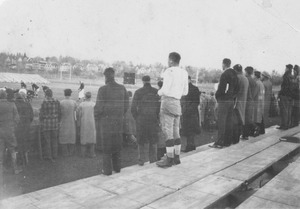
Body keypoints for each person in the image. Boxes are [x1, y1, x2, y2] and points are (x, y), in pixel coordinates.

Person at [156, 52, 189, 168]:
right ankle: (177, 157)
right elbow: (185, 92)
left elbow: (164, 90)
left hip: (167, 102)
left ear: (170, 60)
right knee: (176, 131)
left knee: (167, 131)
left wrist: (158, 92)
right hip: (177, 102)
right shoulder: (184, 73)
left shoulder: (169, 71)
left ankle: (169, 158)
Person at [94, 67, 129, 175]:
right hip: (118, 121)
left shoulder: (103, 89)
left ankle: (107, 170)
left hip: (106, 122)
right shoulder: (122, 88)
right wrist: (119, 115)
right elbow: (126, 105)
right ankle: (117, 168)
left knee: (107, 147)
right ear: (113, 75)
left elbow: (98, 108)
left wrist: (97, 116)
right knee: (117, 145)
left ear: (105, 76)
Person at [131, 76, 160, 166]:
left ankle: (141, 160)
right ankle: (153, 160)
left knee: (141, 141)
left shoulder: (138, 92)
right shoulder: (156, 92)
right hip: (153, 120)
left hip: (141, 120)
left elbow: (133, 108)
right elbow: (159, 107)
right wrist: (156, 117)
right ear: (149, 80)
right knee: (153, 141)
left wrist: (137, 118)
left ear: (142, 81)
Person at [210, 58, 239, 148]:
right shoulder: (235, 74)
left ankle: (220, 142)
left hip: (224, 101)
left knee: (221, 121)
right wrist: (233, 97)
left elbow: (221, 89)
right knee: (229, 122)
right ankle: (227, 141)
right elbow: (237, 89)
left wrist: (217, 96)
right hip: (231, 100)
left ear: (224, 64)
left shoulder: (225, 74)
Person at [0, 90, 21, 181]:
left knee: (1, 150)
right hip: (9, 130)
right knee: (12, 149)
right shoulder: (12, 104)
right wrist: (13, 126)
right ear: (6, 96)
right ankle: (15, 169)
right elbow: (17, 118)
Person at [39, 89, 61, 162]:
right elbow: (59, 112)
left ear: (46, 94)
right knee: (54, 140)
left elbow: (41, 114)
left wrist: (41, 120)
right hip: (54, 123)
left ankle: (49, 156)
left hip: (46, 123)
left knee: (47, 141)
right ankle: (55, 155)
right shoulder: (57, 101)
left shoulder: (44, 102)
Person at [181, 76, 201, 152]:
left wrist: (187, 109)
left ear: (189, 80)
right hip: (189, 111)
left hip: (190, 112)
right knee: (189, 129)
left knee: (189, 129)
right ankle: (191, 145)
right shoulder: (190, 88)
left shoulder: (193, 89)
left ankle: (189, 146)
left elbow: (196, 102)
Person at [14, 92, 34, 166]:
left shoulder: (14, 104)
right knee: (24, 142)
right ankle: (24, 158)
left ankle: (19, 159)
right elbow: (31, 116)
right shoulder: (28, 104)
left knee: (17, 143)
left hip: (17, 128)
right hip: (26, 128)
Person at [78, 92, 96, 158]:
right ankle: (92, 154)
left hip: (84, 122)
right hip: (91, 122)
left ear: (85, 97)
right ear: (90, 97)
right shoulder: (93, 104)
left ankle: (83, 154)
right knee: (92, 137)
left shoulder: (82, 104)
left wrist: (78, 122)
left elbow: (79, 115)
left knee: (84, 137)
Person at [59, 89, 77, 156]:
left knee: (64, 136)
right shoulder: (73, 102)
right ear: (70, 94)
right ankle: (71, 152)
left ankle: (65, 152)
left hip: (64, 121)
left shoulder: (61, 102)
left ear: (64, 94)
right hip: (71, 121)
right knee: (71, 136)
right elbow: (76, 111)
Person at [233, 64, 248, 144]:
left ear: (235, 70)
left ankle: (235, 138)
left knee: (235, 121)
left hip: (237, 102)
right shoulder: (245, 78)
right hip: (243, 101)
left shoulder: (237, 78)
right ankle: (237, 137)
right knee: (240, 120)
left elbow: (235, 90)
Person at [241, 66, 257, 140]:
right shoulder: (254, 80)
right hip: (251, 100)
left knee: (246, 119)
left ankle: (246, 134)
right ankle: (248, 132)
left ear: (247, 72)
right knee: (248, 118)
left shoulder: (246, 79)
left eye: (245, 71)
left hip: (247, 101)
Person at [278, 64, 293, 130]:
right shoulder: (291, 76)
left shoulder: (286, 76)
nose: (285, 69)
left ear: (288, 68)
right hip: (290, 95)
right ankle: (287, 124)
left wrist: (280, 93)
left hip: (284, 95)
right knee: (288, 111)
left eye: (286, 68)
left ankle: (284, 125)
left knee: (284, 111)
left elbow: (284, 87)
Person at [253, 71, 265, 135]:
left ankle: (257, 131)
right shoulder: (261, 83)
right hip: (261, 101)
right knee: (260, 116)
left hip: (257, 101)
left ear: (255, 76)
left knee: (257, 117)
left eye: (253, 75)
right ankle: (262, 130)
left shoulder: (257, 83)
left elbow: (254, 93)